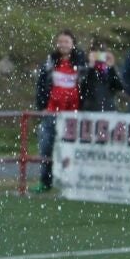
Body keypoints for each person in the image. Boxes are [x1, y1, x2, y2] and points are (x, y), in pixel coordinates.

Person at [33, 29, 86, 192]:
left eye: (67, 42)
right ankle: (45, 181)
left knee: (71, 150)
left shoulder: (80, 64)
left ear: (73, 44)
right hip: (51, 112)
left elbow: (87, 86)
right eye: (61, 42)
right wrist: (42, 106)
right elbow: (41, 86)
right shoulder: (50, 63)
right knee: (46, 148)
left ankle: (71, 182)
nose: (63, 45)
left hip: (73, 115)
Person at [80, 40, 123, 112]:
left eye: (102, 52)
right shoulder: (84, 67)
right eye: (96, 52)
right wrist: (91, 67)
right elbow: (82, 86)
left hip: (108, 109)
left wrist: (112, 67)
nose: (99, 55)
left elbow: (119, 87)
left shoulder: (109, 69)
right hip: (90, 109)